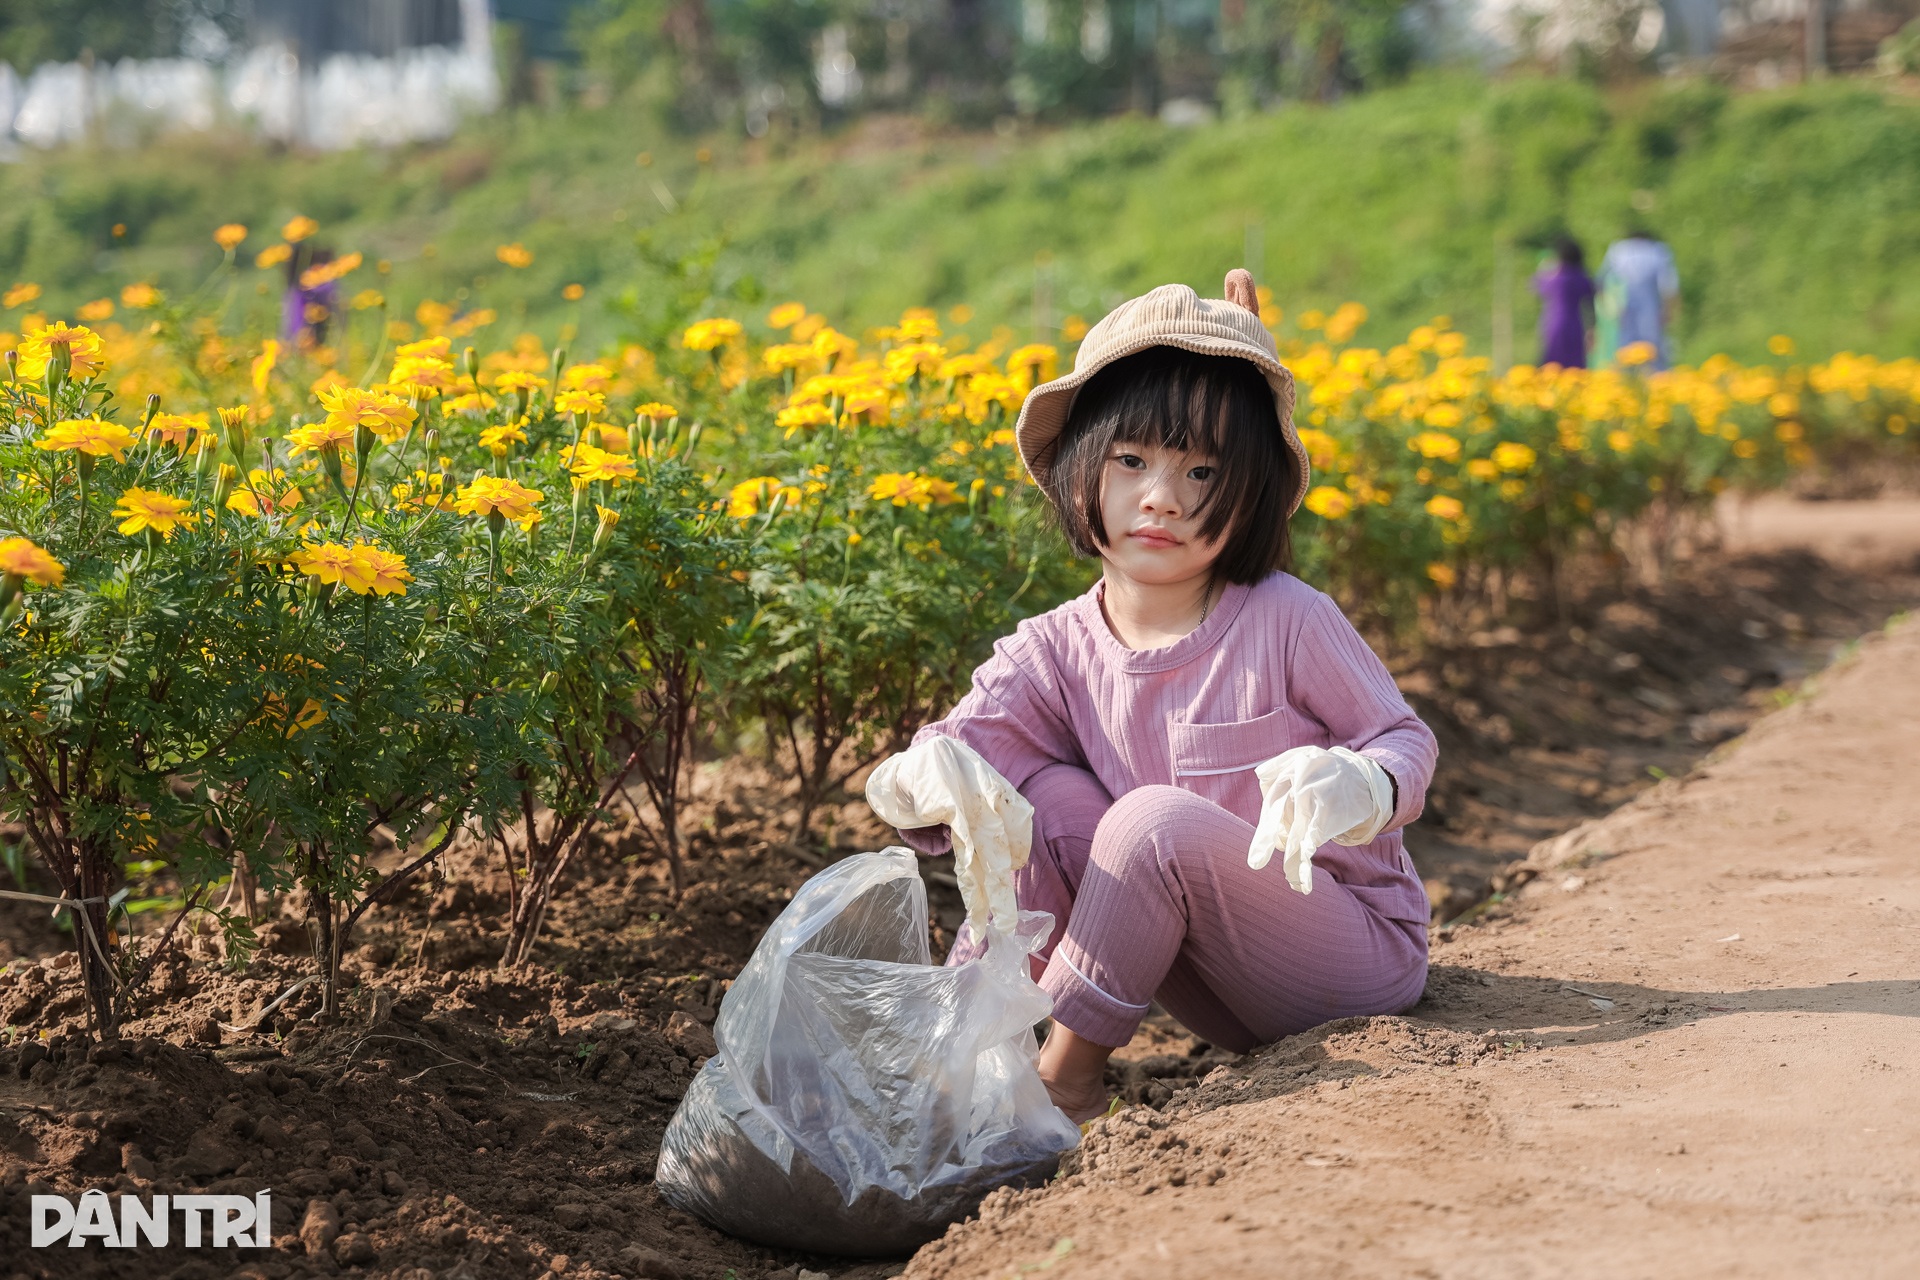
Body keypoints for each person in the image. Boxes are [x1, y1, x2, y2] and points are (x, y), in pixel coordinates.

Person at [870, 271, 1436, 1121]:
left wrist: (1365, 783)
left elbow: (1404, 739)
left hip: (1348, 959)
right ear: (1080, 471)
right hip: (1208, 984)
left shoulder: (1288, 618)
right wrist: (918, 777)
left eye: (1202, 471)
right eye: (1131, 461)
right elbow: (955, 750)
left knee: (1152, 822)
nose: (1161, 498)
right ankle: (960, 1060)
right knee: (1046, 799)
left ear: (1250, 494)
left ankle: (1065, 1083)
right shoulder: (1055, 647)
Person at [1598, 229, 1680, 369]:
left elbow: (1600, 282)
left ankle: (1629, 381)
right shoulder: (1657, 251)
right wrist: (1668, 311)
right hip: (1651, 311)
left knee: (1626, 355)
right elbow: (1669, 287)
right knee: (1653, 354)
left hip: (1626, 310)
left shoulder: (1619, 250)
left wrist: (1612, 307)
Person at [1533, 236, 1596, 369]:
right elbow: (1591, 301)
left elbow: (1536, 286)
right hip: (1575, 323)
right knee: (1574, 364)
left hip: (1552, 322)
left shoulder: (1554, 277)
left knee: (1552, 363)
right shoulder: (1581, 277)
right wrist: (1591, 328)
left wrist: (1544, 267)